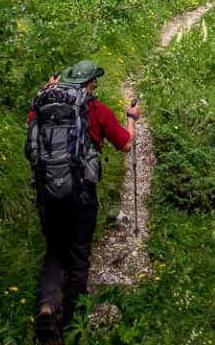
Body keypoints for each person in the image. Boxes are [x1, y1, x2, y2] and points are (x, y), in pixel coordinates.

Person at [26, 59, 139, 344]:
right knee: (78, 256)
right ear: (91, 83)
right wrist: (131, 117)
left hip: (47, 191)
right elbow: (125, 143)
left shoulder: (42, 106)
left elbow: (33, 132)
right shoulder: (95, 109)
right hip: (81, 195)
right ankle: (72, 327)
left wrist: (46, 91)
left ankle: (47, 305)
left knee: (55, 250)